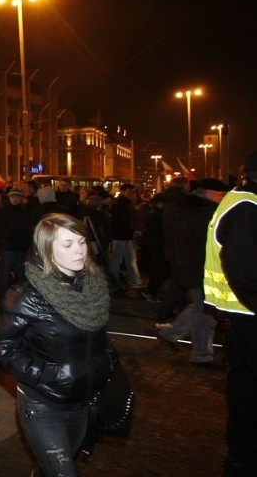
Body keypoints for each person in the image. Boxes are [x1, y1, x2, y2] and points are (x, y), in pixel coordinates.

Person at [0, 213, 111, 476]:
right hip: (44, 404)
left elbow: (97, 340)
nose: (79, 250)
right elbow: (1, 347)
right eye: (67, 245)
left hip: (83, 401)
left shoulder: (95, 285)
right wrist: (46, 375)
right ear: (47, 250)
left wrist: (105, 365)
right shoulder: (26, 295)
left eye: (81, 242)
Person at [203, 150, 257, 476]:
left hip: (241, 315)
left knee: (245, 387)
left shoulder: (242, 202)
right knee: (247, 392)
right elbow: (246, 271)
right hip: (249, 314)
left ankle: (241, 455)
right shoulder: (246, 207)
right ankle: (242, 457)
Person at [157, 178, 229, 367]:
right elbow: (214, 243)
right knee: (207, 313)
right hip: (203, 269)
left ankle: (171, 333)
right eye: (220, 195)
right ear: (209, 193)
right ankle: (202, 355)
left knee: (200, 307)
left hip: (192, 268)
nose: (223, 199)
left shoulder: (186, 209)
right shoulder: (205, 213)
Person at [0, 188, 33, 306]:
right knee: (4, 274)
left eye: (17, 197)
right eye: (12, 197)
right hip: (8, 248)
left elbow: (28, 227)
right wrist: (6, 236)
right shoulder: (3, 211)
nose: (15, 199)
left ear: (20, 198)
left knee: (22, 274)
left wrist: (26, 241)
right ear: (9, 198)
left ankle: (22, 298)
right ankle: (1, 298)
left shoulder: (24, 211)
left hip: (21, 248)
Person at [109, 183, 142, 293]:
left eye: (133, 192)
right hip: (122, 235)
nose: (132, 195)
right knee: (121, 260)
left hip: (123, 235)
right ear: (123, 191)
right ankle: (120, 281)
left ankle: (133, 281)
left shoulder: (121, 203)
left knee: (127, 260)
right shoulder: (121, 204)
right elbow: (124, 221)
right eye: (130, 192)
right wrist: (132, 231)